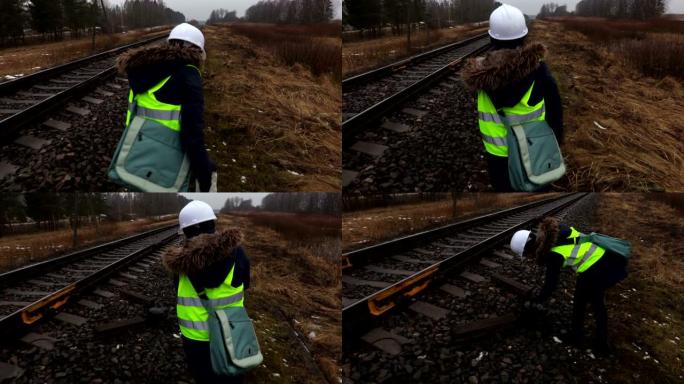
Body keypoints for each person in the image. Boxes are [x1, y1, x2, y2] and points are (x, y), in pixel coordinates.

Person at [462, 4, 563, 192]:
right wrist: (555, 144)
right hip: (534, 151)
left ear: (491, 37)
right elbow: (555, 116)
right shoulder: (540, 72)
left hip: (497, 157)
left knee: (504, 196)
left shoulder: (478, 77)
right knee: (535, 195)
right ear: (525, 36)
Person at [114, 23, 216, 192]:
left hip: (137, 146)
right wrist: (204, 173)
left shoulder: (143, 68)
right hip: (169, 152)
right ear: (195, 50)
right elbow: (192, 133)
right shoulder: (188, 75)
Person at [510, 217, 628, 355]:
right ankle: (588, 338)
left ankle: (596, 344)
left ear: (528, 249)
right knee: (586, 300)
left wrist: (535, 300)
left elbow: (550, 285)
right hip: (606, 256)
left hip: (599, 265)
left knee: (589, 301)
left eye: (526, 254)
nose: (529, 257)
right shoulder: (554, 231)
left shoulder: (552, 254)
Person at [163, 200, 251, 383]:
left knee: (203, 377)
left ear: (185, 232)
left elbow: (177, 292)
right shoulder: (238, 253)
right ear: (213, 223)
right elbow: (246, 284)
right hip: (232, 330)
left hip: (195, 339)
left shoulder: (179, 264)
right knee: (233, 376)